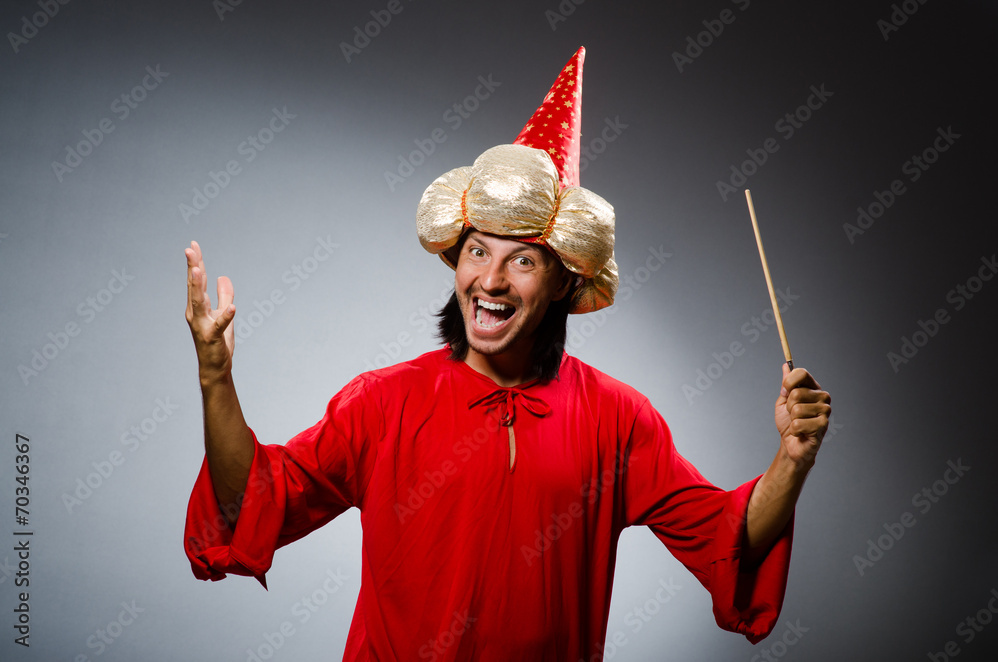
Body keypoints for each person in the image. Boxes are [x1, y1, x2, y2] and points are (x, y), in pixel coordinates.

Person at [183, 47, 832, 661]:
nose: (490, 280)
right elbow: (253, 499)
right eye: (477, 251)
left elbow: (726, 539)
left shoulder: (619, 419)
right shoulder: (381, 403)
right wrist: (216, 379)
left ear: (564, 282)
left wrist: (792, 459)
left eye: (522, 259)